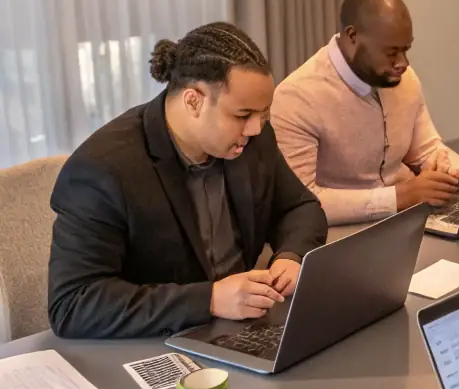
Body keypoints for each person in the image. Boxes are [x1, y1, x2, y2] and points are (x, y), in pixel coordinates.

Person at [48, 23, 327, 339]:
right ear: (193, 101)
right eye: (242, 115)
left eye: (262, 115)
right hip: (158, 340)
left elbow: (300, 207)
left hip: (245, 328)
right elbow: (72, 303)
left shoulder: (252, 139)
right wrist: (209, 299)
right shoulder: (102, 170)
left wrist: (290, 256)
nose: (254, 129)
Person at [270, 0, 459, 225]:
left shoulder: (403, 78)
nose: (403, 63)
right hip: (345, 233)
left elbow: (427, 149)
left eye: (406, 49)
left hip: (411, 217)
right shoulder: (296, 98)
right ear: (352, 36)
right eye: (391, 53)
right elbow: (301, 204)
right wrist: (401, 197)